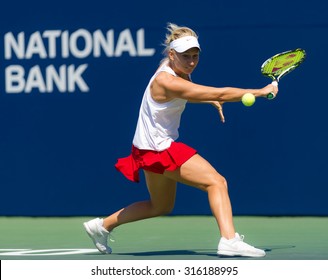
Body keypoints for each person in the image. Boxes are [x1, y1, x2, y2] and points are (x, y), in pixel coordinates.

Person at [83, 23, 278, 257]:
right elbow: (217, 92)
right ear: (171, 54)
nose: (192, 62)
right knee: (217, 182)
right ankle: (229, 240)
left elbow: (188, 93)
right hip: (158, 148)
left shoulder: (174, 70)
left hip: (144, 148)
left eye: (195, 56)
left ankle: (101, 226)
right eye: (186, 57)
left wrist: (208, 100)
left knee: (160, 206)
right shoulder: (166, 81)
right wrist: (260, 91)